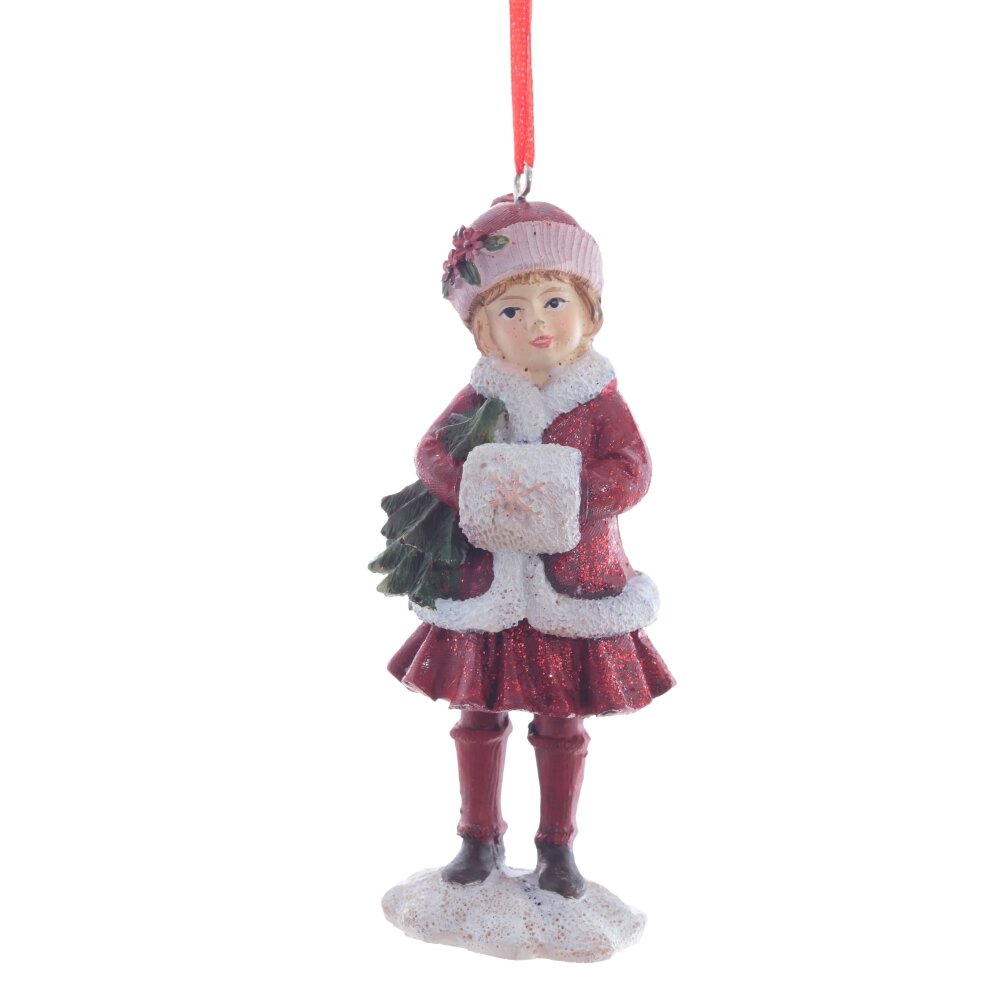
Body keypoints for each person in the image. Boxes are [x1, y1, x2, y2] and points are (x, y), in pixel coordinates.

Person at [383, 195, 675, 898]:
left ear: (588, 313)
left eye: (553, 302)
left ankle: (557, 848)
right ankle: (477, 837)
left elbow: (632, 470)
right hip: (486, 585)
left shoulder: (598, 400)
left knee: (561, 719)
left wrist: (561, 494)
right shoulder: (482, 398)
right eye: (512, 310)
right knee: (477, 713)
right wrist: (481, 489)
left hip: (572, 585)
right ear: (484, 330)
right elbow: (432, 455)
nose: (537, 324)